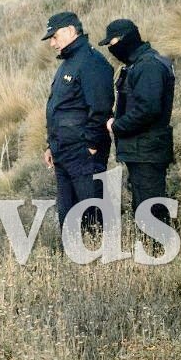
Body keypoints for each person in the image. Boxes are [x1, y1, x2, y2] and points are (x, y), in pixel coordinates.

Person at [41, 12, 114, 233]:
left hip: (83, 153)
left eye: (54, 37)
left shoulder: (91, 62)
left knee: (92, 216)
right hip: (63, 152)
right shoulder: (68, 63)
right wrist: (49, 145)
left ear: (71, 31)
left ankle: (100, 262)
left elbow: (101, 107)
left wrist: (91, 146)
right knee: (69, 219)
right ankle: (74, 263)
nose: (52, 43)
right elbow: (59, 109)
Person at [99, 18, 175, 225]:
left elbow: (148, 109)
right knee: (145, 206)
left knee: (151, 207)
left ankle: (159, 252)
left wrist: (116, 126)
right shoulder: (139, 65)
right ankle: (154, 251)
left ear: (126, 39)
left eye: (112, 43)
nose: (111, 49)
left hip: (147, 149)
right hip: (143, 149)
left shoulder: (148, 66)